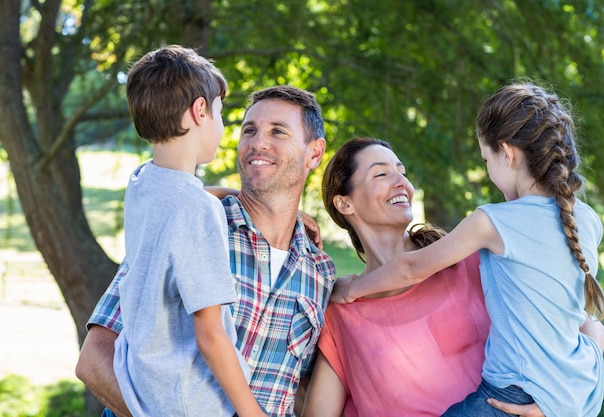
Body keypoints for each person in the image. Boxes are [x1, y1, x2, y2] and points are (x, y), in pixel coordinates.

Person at [331, 83, 604, 417]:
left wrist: (352, 290)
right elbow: (589, 325)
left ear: (507, 154)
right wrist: (565, 399)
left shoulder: (492, 222)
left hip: (506, 396)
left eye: (486, 159)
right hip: (574, 390)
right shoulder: (586, 220)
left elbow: (411, 269)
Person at [75, 85, 336, 417]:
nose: (258, 142)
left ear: (314, 153)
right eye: (249, 130)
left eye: (278, 132)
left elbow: (299, 390)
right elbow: (94, 359)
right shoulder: (188, 223)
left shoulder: (319, 272)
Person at [301, 137, 548, 417]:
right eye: (381, 174)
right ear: (344, 204)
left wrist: (560, 404)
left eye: (402, 172)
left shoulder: (469, 262)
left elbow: (581, 326)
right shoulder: (342, 315)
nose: (402, 183)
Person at [111, 45, 266, 417]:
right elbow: (210, 333)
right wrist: (252, 413)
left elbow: (178, 201)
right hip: (190, 402)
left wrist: (233, 195)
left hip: (142, 381)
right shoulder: (199, 211)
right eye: (220, 113)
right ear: (200, 111)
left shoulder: (143, 181)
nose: (223, 125)